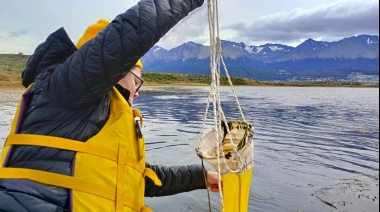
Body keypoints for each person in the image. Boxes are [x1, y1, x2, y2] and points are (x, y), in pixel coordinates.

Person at [0, 0, 220, 211]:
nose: (137, 92)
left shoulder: (93, 106)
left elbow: (137, 179)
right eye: (137, 81)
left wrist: (200, 177)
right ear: (117, 68)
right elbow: (128, 35)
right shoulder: (69, 87)